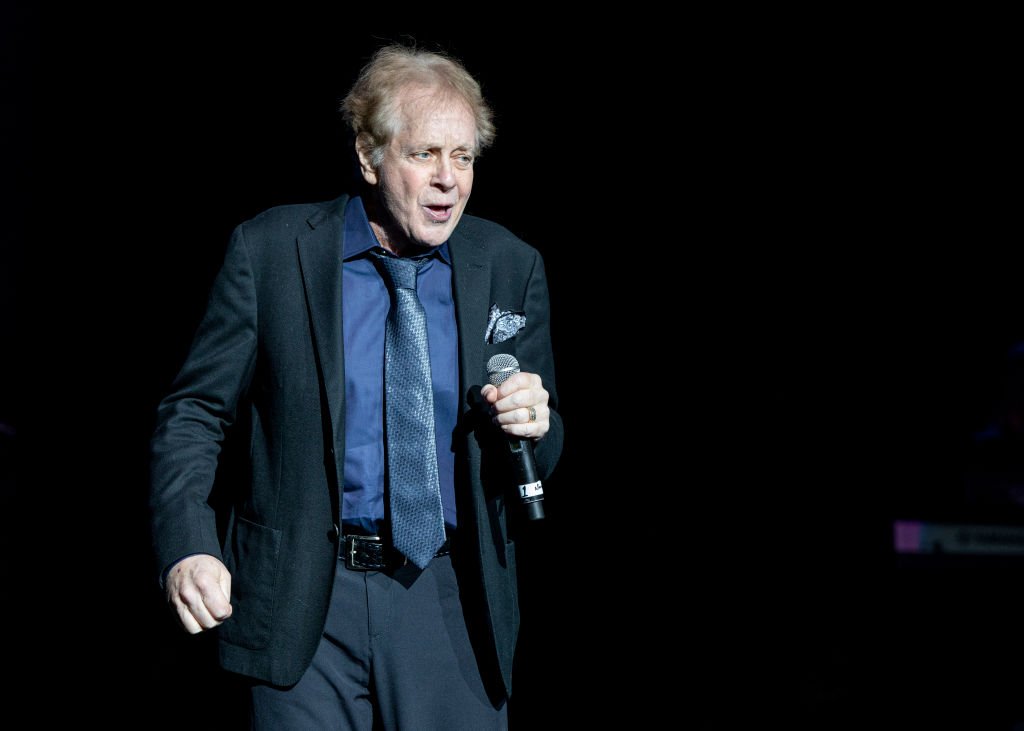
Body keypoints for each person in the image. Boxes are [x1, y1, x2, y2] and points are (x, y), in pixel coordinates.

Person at [149, 43, 563, 728]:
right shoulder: (274, 251)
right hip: (305, 603)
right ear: (369, 157)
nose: (447, 181)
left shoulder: (508, 264)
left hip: (449, 600)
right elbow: (194, 411)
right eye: (424, 154)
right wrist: (190, 542)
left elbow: (542, 457)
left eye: (462, 157)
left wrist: (538, 426)